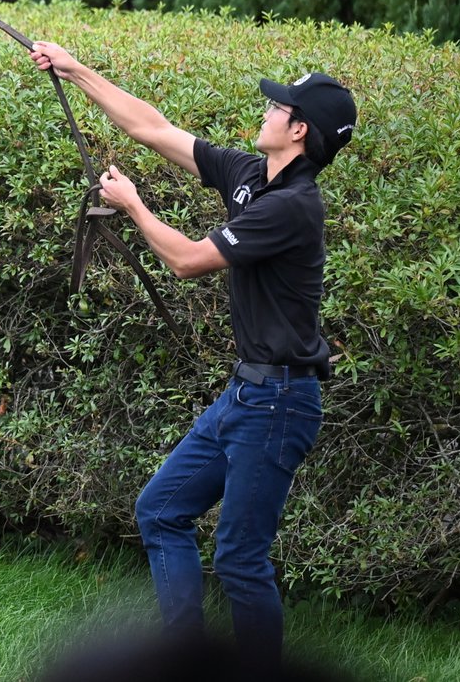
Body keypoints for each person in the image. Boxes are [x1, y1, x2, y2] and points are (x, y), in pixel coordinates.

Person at [29, 44, 358, 666]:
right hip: (247, 393)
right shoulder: (250, 176)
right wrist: (74, 69)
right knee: (161, 510)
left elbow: (185, 261)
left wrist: (133, 206)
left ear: (299, 129)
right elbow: (150, 127)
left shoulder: (291, 207)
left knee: (239, 557)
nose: (267, 109)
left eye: (278, 105)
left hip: (280, 402)